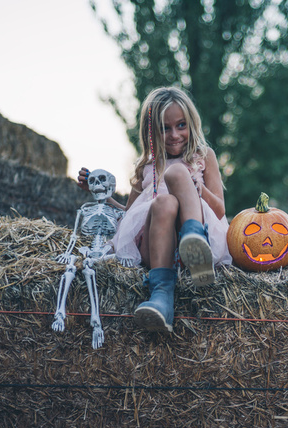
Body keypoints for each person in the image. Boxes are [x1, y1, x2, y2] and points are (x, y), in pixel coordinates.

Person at [77, 87, 231, 333]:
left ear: (191, 124)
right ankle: (161, 296)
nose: (174, 135)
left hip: (202, 242)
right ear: (151, 132)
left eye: (181, 125)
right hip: (158, 248)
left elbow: (221, 210)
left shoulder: (204, 156)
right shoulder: (146, 167)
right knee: (163, 202)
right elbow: (129, 215)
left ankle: (195, 244)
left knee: (177, 173)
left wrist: (197, 186)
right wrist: (99, 194)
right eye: (164, 128)